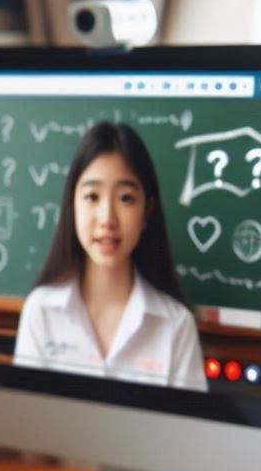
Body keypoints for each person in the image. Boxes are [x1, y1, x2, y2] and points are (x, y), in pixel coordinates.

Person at [13, 122, 206, 391]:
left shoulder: (176, 325)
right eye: (92, 196)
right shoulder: (41, 311)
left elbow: (189, 430)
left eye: (125, 198)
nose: (107, 219)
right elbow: (25, 422)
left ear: (146, 213)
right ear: (72, 206)